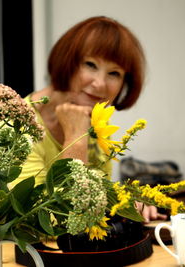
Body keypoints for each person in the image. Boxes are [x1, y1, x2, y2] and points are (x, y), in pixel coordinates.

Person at [15, 16, 166, 223]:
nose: (99, 84)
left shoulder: (97, 126)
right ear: (66, 61)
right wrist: (76, 136)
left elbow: (93, 203)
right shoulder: (17, 125)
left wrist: (125, 204)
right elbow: (43, 221)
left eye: (114, 73)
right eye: (90, 64)